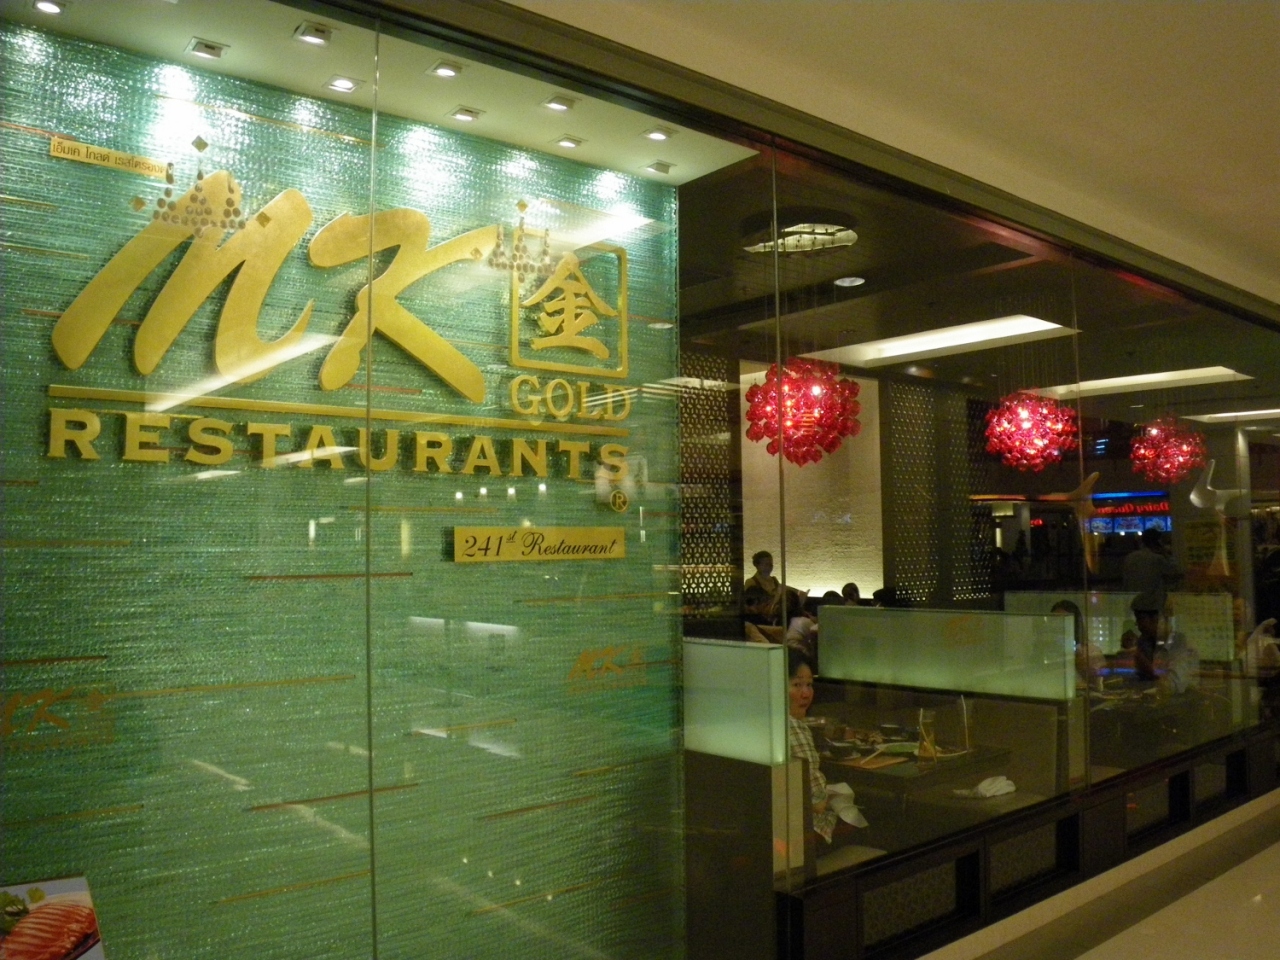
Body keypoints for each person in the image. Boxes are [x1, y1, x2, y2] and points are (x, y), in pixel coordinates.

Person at [786, 648, 838, 844]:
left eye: (809, 684)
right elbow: (817, 803)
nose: (806, 693)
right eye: (797, 684)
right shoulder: (792, 726)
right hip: (806, 832)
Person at [1122, 528, 1180, 611]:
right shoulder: (1157, 559)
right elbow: (1174, 570)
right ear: (1157, 542)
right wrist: (1166, 553)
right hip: (1152, 603)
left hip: (1133, 601)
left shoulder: (1129, 557)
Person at [1051, 599, 1104, 687]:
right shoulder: (1046, 649)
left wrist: (1079, 661)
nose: (1058, 625)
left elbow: (1097, 683)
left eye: (1063, 620)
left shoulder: (1090, 650)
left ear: (1075, 623)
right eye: (1054, 621)